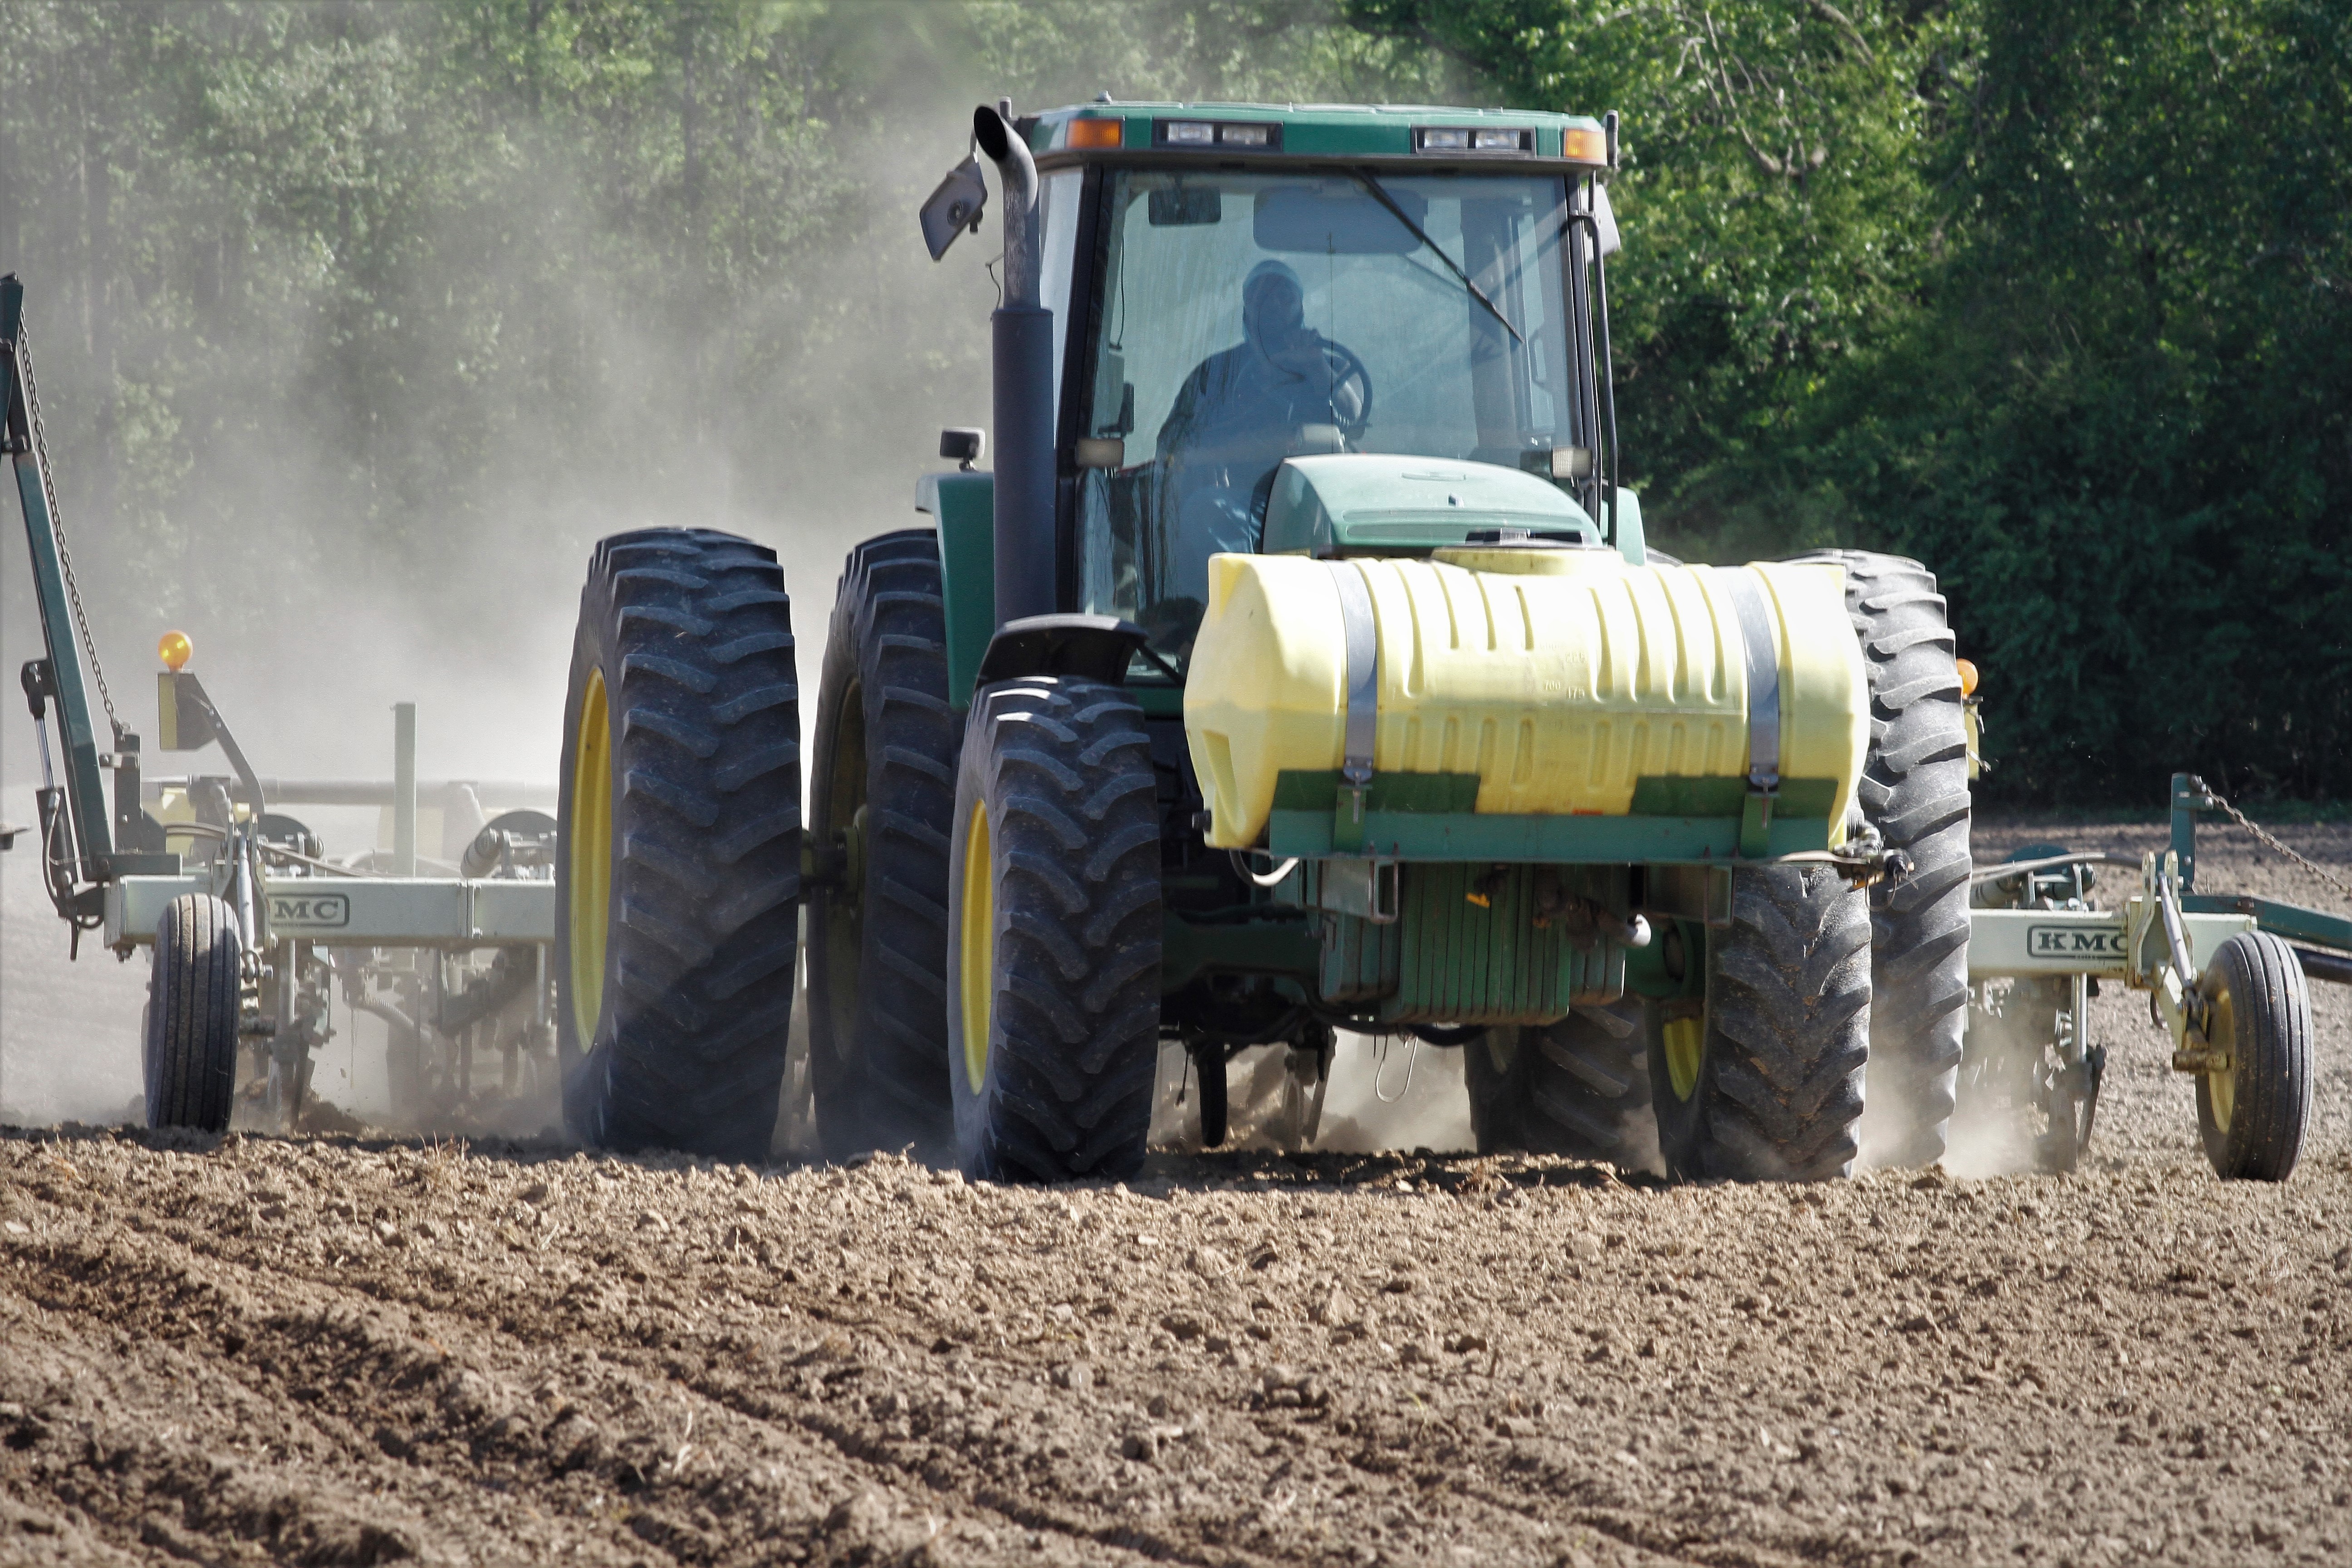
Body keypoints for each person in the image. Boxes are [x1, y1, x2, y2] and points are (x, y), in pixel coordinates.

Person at [1150, 260, 1366, 617]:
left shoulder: (1327, 366)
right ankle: (1252, 614)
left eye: (1286, 298)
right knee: (1203, 510)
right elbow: (1176, 441)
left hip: (1320, 505)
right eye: (1265, 298)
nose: (1277, 308)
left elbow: (1355, 412)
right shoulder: (1217, 376)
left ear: (1301, 306)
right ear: (1248, 307)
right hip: (1245, 503)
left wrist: (1314, 366)